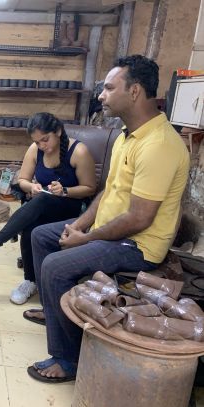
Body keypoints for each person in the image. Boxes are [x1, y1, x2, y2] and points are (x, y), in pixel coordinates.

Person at [26, 55, 190, 383]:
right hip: (110, 230)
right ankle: (54, 312)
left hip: (137, 244)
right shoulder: (128, 136)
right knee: (42, 235)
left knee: (54, 266)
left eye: (109, 88)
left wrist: (86, 239)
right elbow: (106, 193)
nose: (101, 95)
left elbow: (140, 218)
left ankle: (67, 359)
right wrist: (81, 225)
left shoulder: (158, 144)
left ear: (135, 92)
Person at [0, 112, 96, 305]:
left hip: (71, 207)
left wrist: (65, 190)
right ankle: (30, 281)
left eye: (45, 140)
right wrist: (31, 186)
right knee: (30, 226)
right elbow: (22, 180)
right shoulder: (35, 150)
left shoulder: (78, 151)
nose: (42, 146)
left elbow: (90, 188)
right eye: (37, 142)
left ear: (57, 131)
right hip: (43, 205)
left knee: (42, 201)